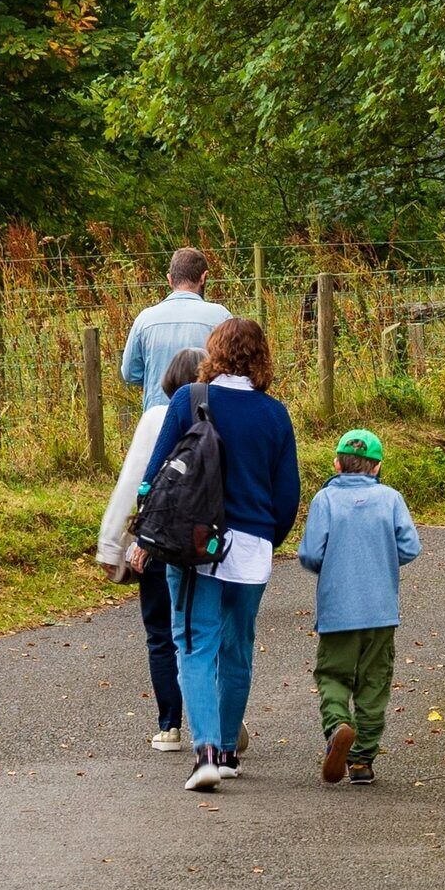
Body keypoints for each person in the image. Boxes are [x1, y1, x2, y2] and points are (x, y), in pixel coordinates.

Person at [155, 316, 298, 792]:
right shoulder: (275, 414)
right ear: (262, 358)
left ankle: (207, 754)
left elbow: (156, 474)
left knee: (196, 645)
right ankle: (231, 753)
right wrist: (266, 538)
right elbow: (287, 496)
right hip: (254, 548)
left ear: (214, 352)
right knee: (238, 649)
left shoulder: (188, 400)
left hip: (197, 544)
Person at [96, 344, 204, 752]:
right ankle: (218, 717)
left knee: (161, 633)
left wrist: (111, 545)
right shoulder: (219, 417)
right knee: (205, 630)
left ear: (169, 380)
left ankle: (169, 726)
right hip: (206, 541)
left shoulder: (157, 417)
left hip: (158, 539)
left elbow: (132, 483)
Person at [298, 429, 420, 785]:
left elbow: (310, 553)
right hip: (381, 609)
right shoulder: (391, 499)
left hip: (338, 609)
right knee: (374, 681)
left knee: (333, 675)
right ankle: (362, 760)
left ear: (337, 464)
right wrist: (382, 557)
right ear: (377, 466)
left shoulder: (325, 499)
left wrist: (333, 565)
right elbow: (410, 547)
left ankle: (338, 725)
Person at [119, 247, 233, 406]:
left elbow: (130, 373)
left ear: (170, 279)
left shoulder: (145, 319)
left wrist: (157, 379)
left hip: (158, 414)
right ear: (204, 277)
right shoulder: (221, 317)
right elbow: (232, 371)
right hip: (205, 414)